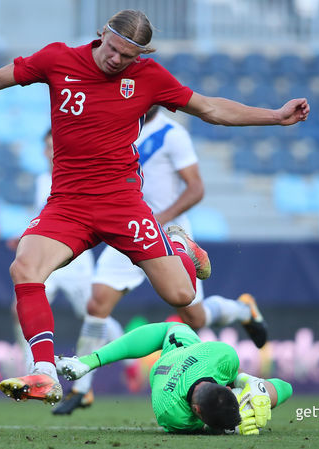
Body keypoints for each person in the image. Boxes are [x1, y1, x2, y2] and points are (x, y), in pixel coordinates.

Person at [0, 9, 309, 405]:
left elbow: (210, 108)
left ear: (141, 55)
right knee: (24, 269)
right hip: (67, 203)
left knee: (181, 295)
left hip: (122, 203)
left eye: (128, 55)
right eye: (113, 48)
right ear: (102, 33)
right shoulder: (58, 59)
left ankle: (180, 247)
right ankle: (44, 371)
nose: (116, 59)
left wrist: (274, 116)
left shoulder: (149, 77)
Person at [53, 106, 267, 414]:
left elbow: (196, 188)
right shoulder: (117, 124)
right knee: (96, 303)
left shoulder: (172, 135)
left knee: (194, 318)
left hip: (167, 233)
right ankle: (82, 389)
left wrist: (158, 219)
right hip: (127, 228)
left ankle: (242, 310)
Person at [7, 130, 123, 388]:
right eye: (47, 147)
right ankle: (36, 369)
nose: (51, 152)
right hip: (48, 259)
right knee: (22, 306)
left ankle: (124, 347)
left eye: (54, 145)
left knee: (93, 314)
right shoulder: (41, 181)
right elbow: (42, 219)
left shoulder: (77, 176)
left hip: (76, 259)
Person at [56, 321, 293, 434]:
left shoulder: (223, 355)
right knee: (192, 313)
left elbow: (285, 387)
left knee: (177, 323)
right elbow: (286, 388)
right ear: (197, 411)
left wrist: (253, 386)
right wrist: (251, 395)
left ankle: (89, 360)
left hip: (187, 349)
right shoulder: (171, 413)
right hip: (173, 361)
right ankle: (89, 360)